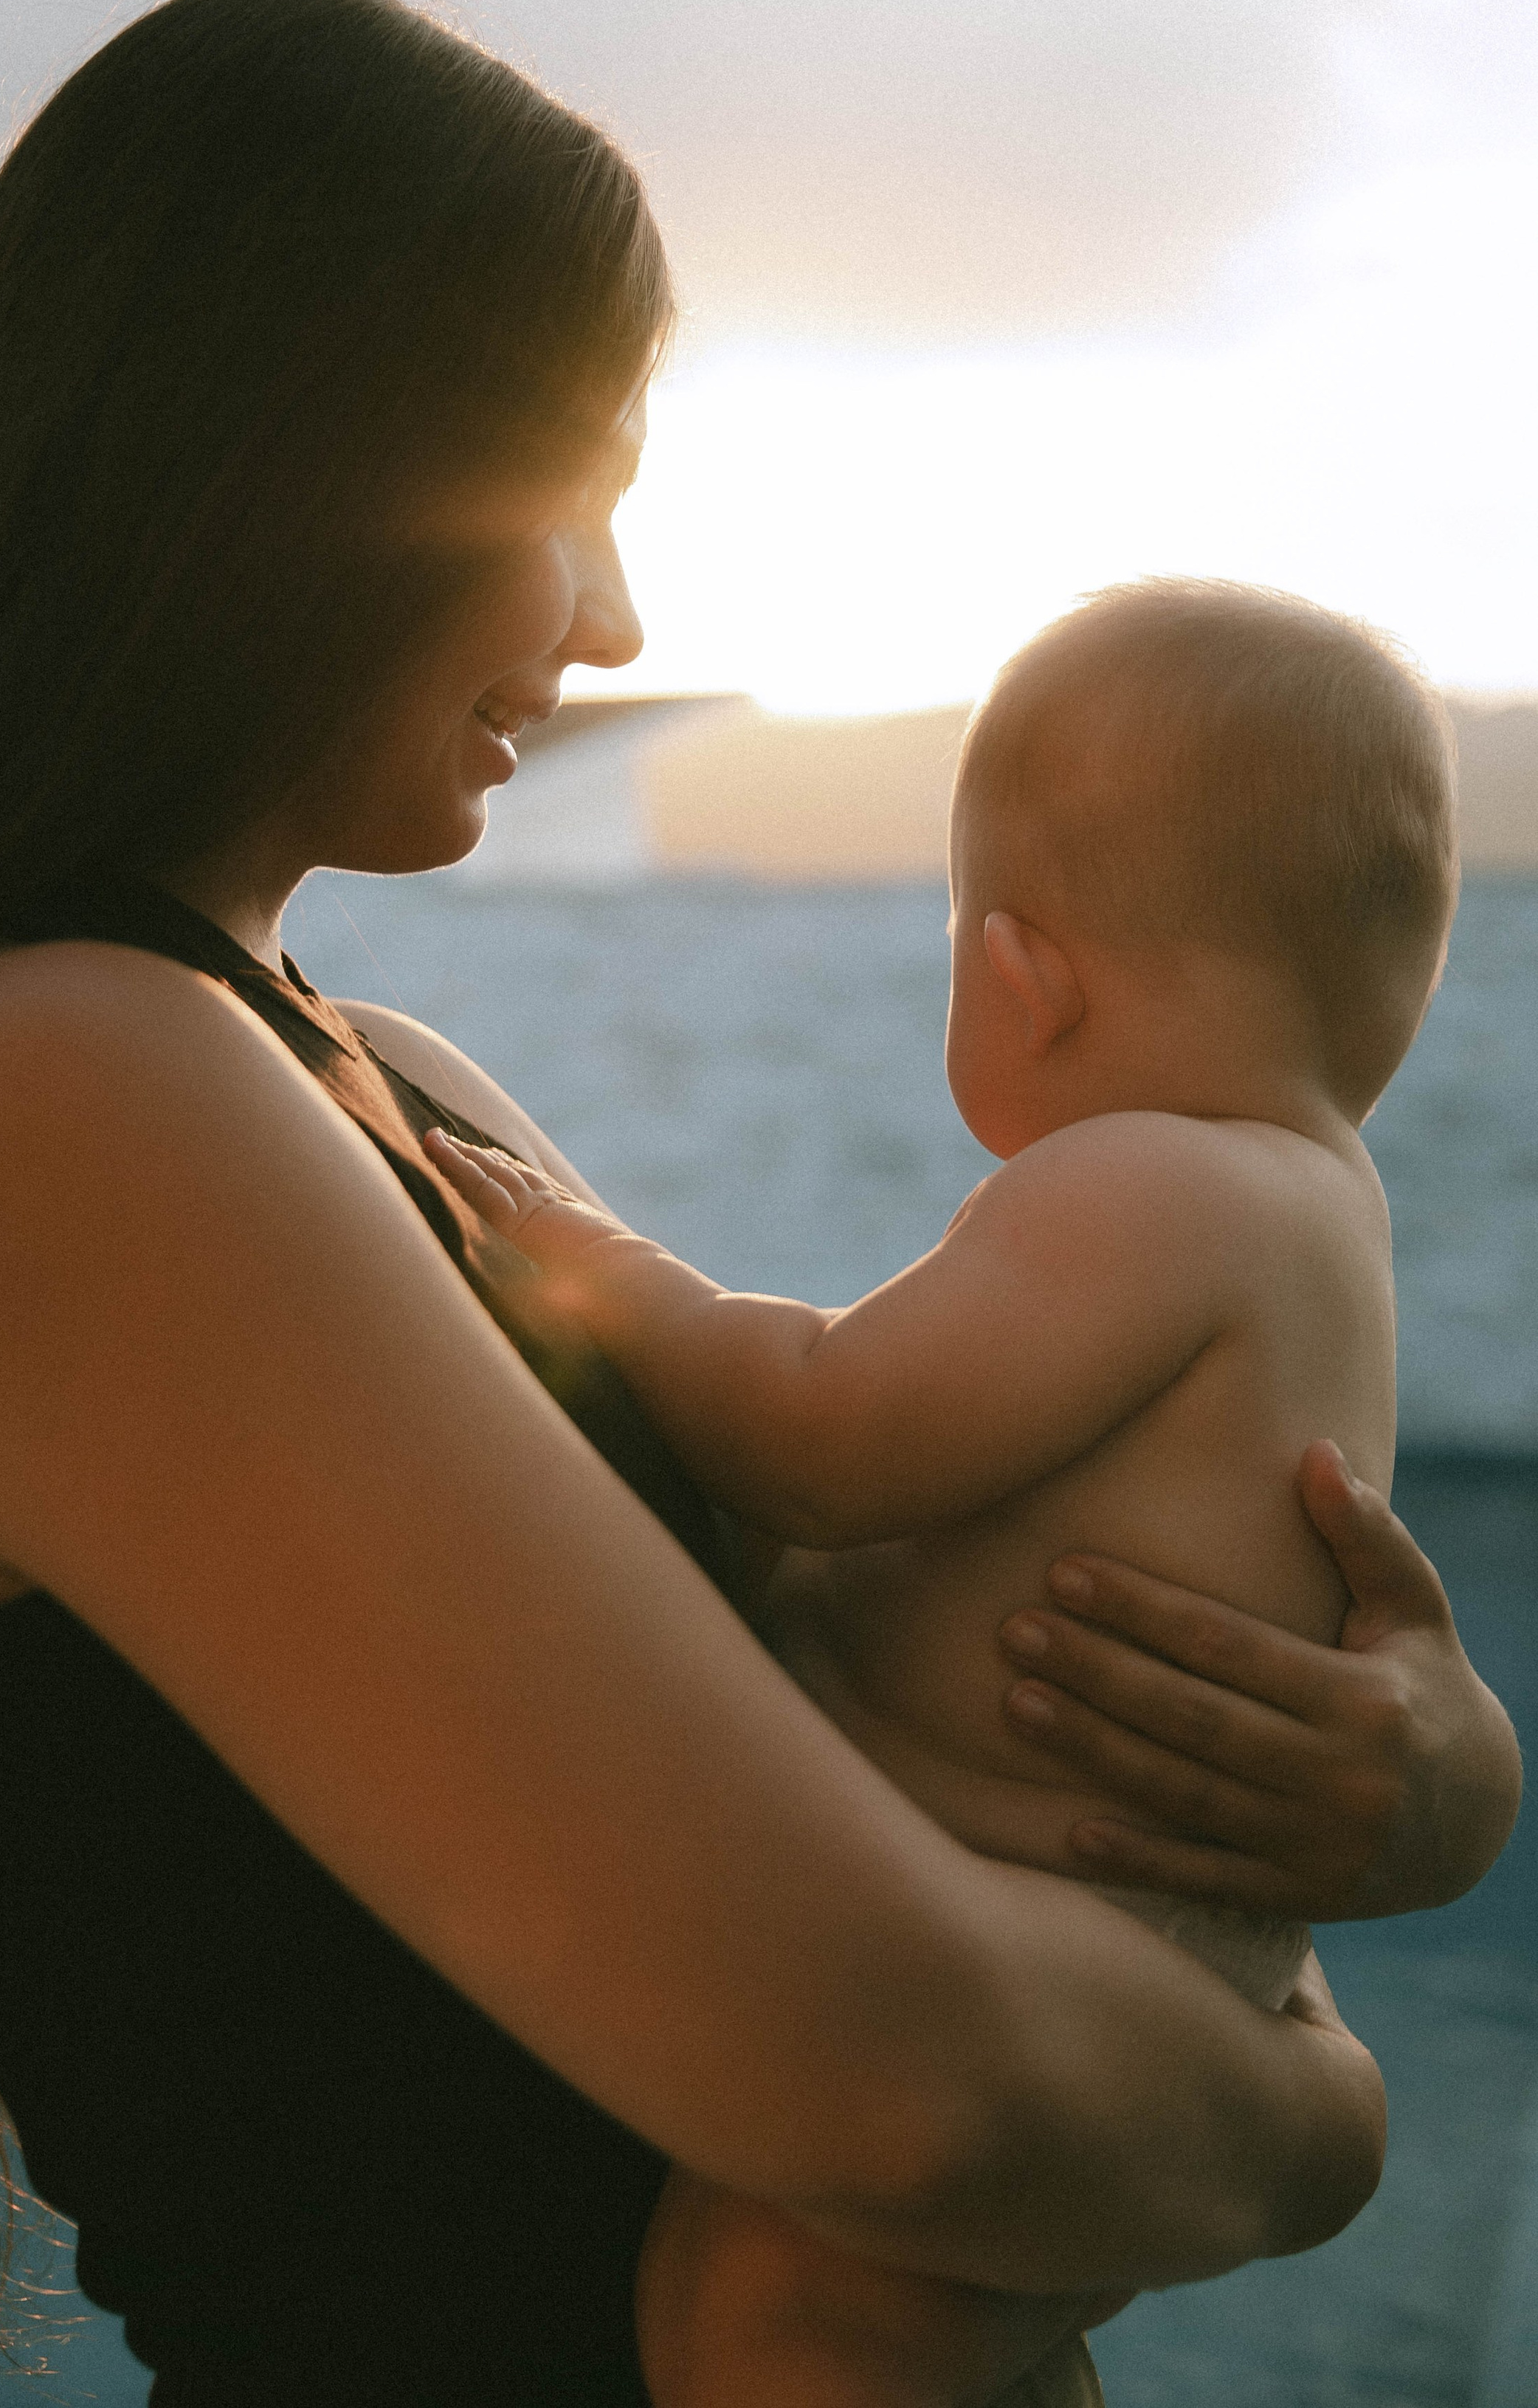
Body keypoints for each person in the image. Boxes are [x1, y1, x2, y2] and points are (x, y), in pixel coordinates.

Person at [0, 0, 1517, 2408]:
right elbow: (917, 2083)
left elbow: (864, 1697)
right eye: (573, 487)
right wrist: (1314, 2116)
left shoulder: (366, 1088)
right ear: (294, 471)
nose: (621, 617)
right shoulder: (35, 1106)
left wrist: (1417, 1771)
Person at [428, 577, 1475, 2398]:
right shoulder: (1321, 1214)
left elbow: (830, 1436)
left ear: (1018, 970)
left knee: (757, 2321)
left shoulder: (1141, 1187)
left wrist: (615, 1277)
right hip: (1179, 1972)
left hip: (1054, 1969)